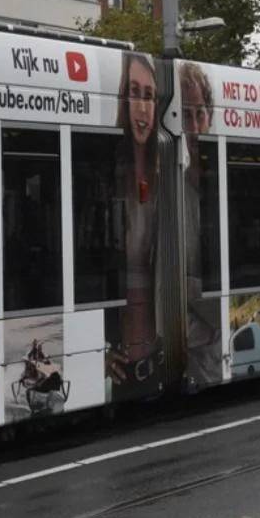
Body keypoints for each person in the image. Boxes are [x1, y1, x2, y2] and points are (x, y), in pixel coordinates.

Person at [107, 53, 161, 397]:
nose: (142, 107)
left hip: (162, 358)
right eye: (134, 92)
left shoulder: (169, 177)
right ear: (122, 100)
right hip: (119, 366)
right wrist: (94, 349)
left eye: (149, 96)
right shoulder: (105, 173)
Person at [180, 62, 222, 389]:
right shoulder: (171, 187)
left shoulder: (222, 181)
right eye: (185, 115)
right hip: (198, 361)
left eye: (200, 114)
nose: (194, 128)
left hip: (212, 356)